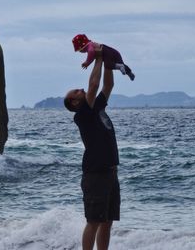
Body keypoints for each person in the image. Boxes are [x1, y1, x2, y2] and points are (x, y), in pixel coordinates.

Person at [64, 56, 120, 250]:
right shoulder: (83, 115)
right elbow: (94, 84)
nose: (81, 89)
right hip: (95, 175)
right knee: (94, 221)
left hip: (111, 172)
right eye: (76, 91)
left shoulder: (96, 107)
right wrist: (97, 57)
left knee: (107, 221)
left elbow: (108, 85)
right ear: (74, 102)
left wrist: (108, 63)